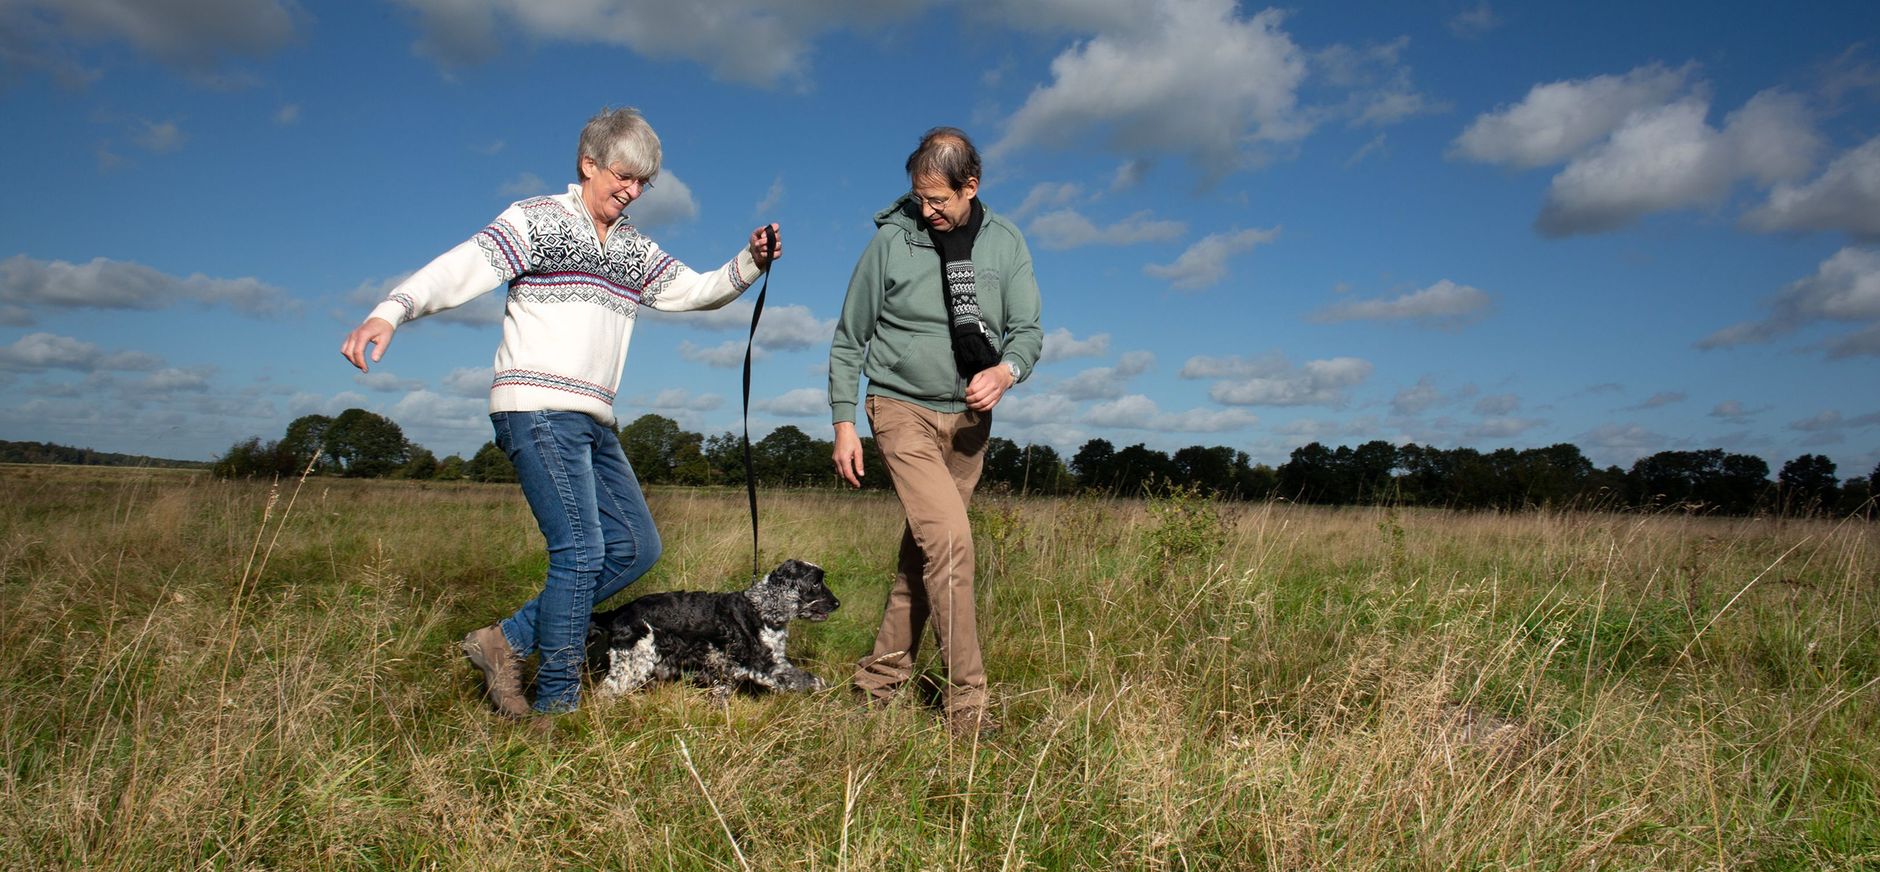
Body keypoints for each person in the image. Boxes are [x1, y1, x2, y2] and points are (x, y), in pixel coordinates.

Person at [340, 107, 781, 718]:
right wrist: (392, 310)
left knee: (635, 547)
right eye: (623, 176)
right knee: (579, 550)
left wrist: (751, 260)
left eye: (643, 183)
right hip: (536, 408)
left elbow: (695, 290)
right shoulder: (537, 219)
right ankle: (557, 705)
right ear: (588, 164)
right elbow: (463, 266)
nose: (631, 192)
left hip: (594, 419)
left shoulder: (633, 247)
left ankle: (504, 641)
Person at [827, 127, 1042, 737]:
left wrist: (1004, 371)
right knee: (949, 543)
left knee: (924, 554)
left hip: (970, 423)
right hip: (901, 409)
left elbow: (1028, 331)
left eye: (938, 200)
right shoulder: (891, 241)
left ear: (970, 186)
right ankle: (968, 707)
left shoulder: (1006, 241)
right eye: (919, 198)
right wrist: (845, 423)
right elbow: (849, 339)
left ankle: (878, 682)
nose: (927, 211)